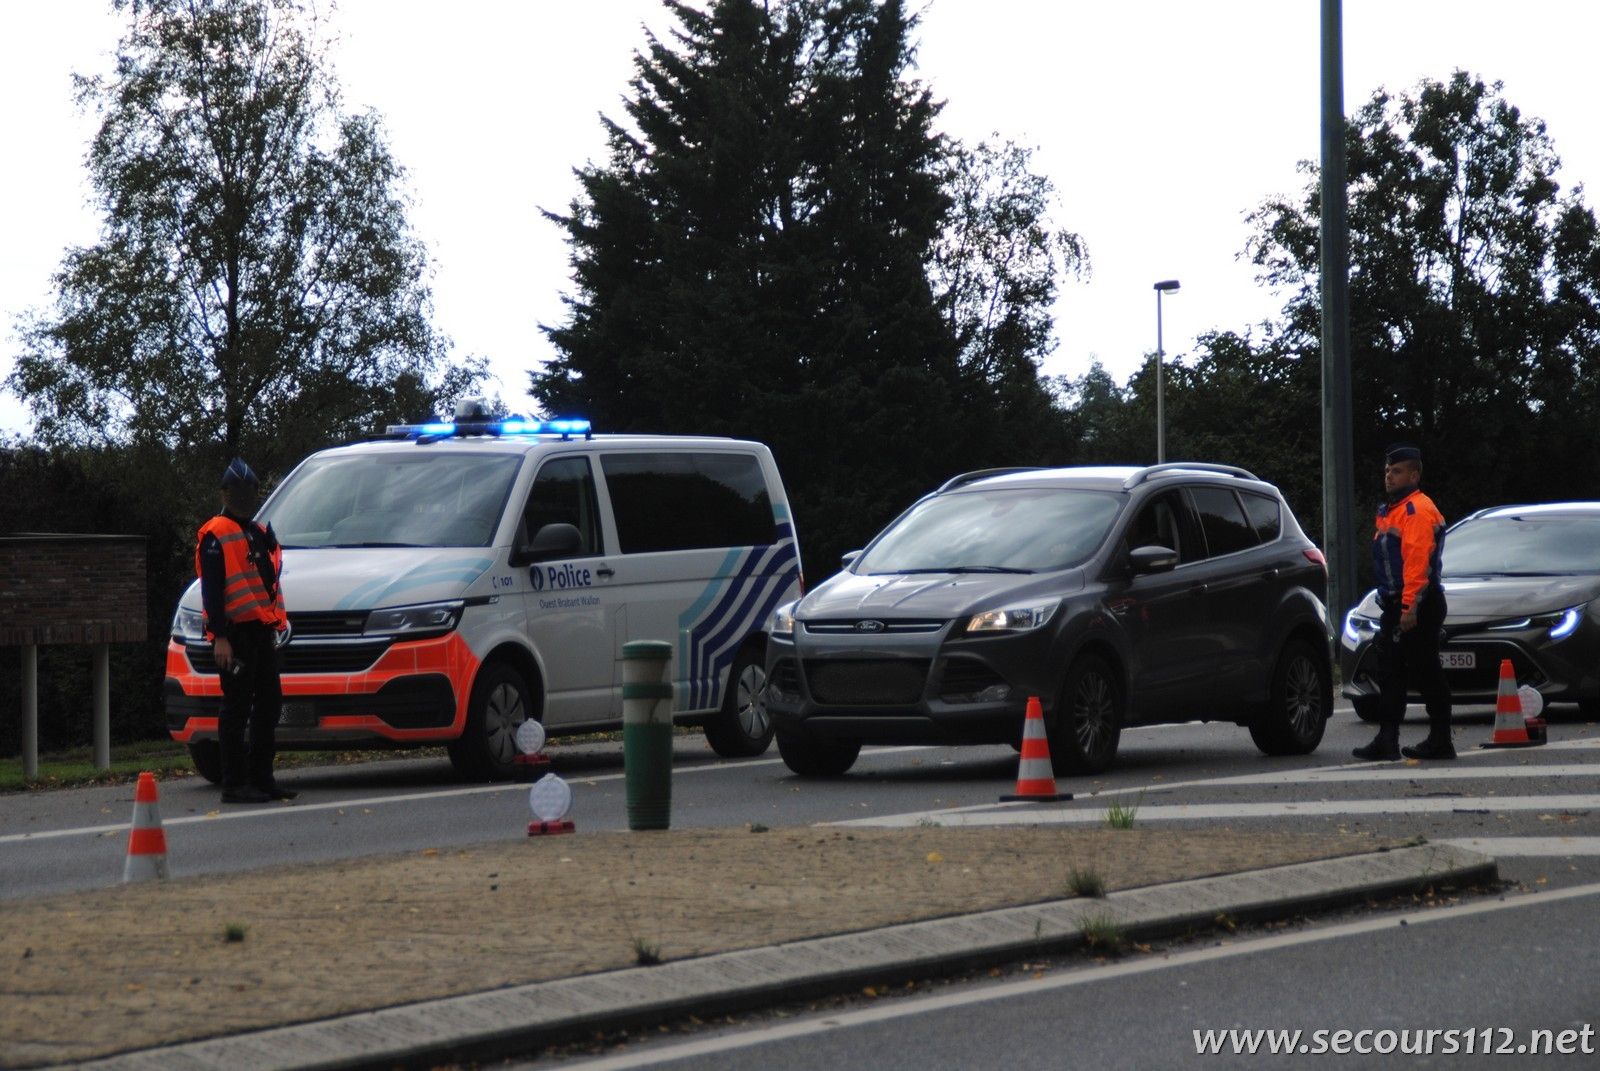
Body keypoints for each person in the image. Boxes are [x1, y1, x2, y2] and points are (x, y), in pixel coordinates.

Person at [197, 458, 299, 802]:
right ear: (223, 493)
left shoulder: (257, 533)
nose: (243, 496)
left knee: (270, 704)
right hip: (235, 635)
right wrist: (220, 637)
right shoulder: (216, 533)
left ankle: (262, 778)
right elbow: (211, 590)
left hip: (261, 632)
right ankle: (235, 784)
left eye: (249, 490)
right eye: (235, 490)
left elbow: (268, 582)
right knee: (236, 708)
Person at [1353, 444, 1455, 761]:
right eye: (1387, 471)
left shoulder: (1417, 510)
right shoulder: (1393, 510)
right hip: (1398, 603)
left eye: (1396, 471)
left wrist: (1410, 606)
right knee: (1390, 671)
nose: (1389, 476)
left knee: (1425, 671)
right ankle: (1388, 739)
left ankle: (1440, 739)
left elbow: (1418, 563)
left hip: (1417, 603)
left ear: (1414, 474)